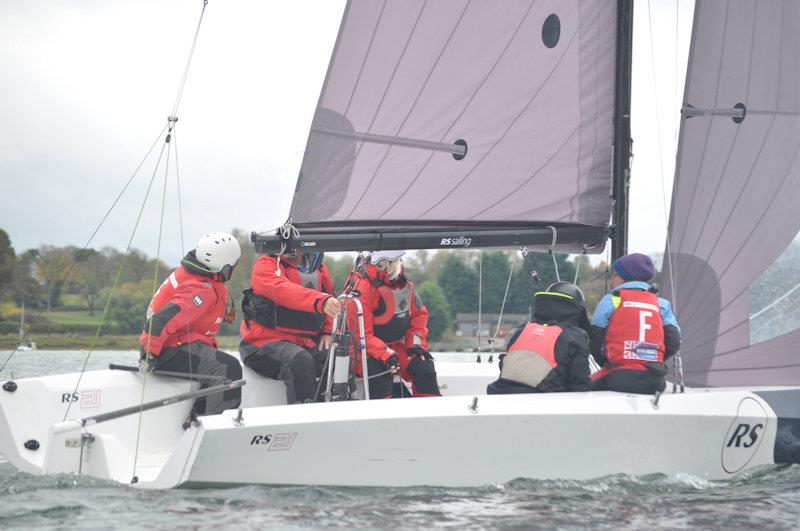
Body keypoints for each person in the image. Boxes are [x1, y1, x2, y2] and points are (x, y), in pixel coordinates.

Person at [140, 232, 243, 417]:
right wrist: (148, 355)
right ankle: (216, 426)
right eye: (234, 265)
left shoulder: (194, 273)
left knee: (216, 363)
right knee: (227, 368)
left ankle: (199, 419)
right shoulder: (202, 290)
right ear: (225, 267)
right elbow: (161, 320)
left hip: (180, 344)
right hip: (169, 350)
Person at [239, 251, 339, 404]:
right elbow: (282, 290)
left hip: (301, 342)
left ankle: (324, 408)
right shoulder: (266, 264)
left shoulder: (320, 269)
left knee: (339, 357)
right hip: (261, 343)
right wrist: (321, 301)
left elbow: (329, 295)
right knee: (300, 360)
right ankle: (303, 416)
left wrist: (327, 331)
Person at [346, 250, 440, 399]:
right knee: (380, 372)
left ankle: (429, 415)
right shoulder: (362, 285)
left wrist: (416, 346)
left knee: (424, 367)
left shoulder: (404, 282)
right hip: (361, 350)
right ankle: (384, 417)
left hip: (394, 347)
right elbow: (360, 335)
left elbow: (419, 315)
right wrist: (386, 355)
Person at [590, 252, 681, 394]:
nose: (611, 281)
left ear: (623, 278)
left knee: (582, 384)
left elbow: (595, 338)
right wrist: (652, 361)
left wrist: (607, 362)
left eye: (613, 276)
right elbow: (674, 340)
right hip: (655, 381)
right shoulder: (661, 304)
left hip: (618, 377)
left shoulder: (611, 300)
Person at [487, 282, 591, 394]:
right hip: (542, 399)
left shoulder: (523, 330)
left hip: (501, 393)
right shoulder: (574, 336)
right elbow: (579, 383)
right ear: (577, 309)